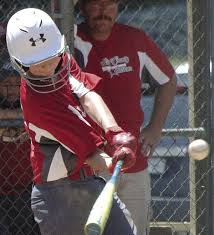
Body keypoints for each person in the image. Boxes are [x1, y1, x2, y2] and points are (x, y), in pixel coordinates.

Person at [6, 8, 138, 235]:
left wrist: (114, 131)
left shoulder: (62, 62)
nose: (48, 68)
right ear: (19, 64)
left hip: (87, 182)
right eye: (38, 64)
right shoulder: (38, 103)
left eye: (51, 58)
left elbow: (87, 94)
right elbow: (91, 155)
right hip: (59, 196)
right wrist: (114, 161)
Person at [74, 0, 177, 234]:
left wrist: (155, 127)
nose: (102, 11)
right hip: (90, 161)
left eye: (109, 4)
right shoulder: (73, 38)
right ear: (81, 7)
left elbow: (169, 80)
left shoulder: (135, 39)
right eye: (95, 4)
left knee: (136, 230)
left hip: (133, 160)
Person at [0, 24, 41, 235]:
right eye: (6, 84)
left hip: (27, 187)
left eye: (17, 83)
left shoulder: (34, 102)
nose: (11, 89)